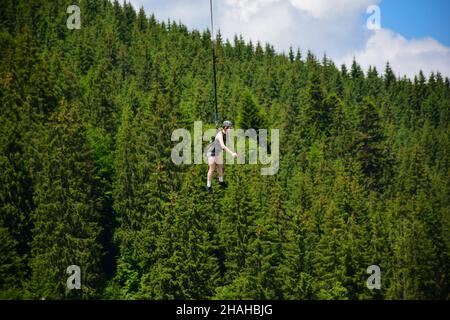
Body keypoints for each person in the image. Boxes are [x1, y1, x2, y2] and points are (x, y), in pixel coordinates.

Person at [205, 120, 237, 193]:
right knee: (212, 168)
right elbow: (223, 146)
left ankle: (221, 181)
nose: (231, 130)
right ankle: (208, 186)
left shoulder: (227, 134)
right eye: (230, 128)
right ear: (225, 127)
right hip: (211, 152)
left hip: (218, 152)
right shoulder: (219, 134)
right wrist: (231, 153)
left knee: (220, 166)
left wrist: (234, 151)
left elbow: (230, 143)